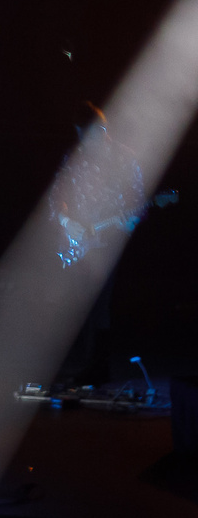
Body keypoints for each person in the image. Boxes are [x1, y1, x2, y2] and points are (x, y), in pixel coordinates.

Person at [48, 102, 148, 387]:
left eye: (87, 135)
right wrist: (67, 222)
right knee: (75, 304)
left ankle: (98, 367)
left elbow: (137, 208)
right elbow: (57, 197)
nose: (83, 141)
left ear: (102, 131)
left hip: (106, 245)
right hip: (77, 243)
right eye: (80, 135)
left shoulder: (125, 161)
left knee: (99, 305)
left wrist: (122, 223)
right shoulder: (75, 157)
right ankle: (79, 364)